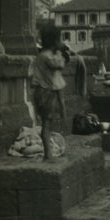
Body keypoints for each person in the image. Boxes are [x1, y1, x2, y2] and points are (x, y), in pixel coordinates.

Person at [31, 26, 67, 161]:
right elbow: (59, 65)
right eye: (60, 39)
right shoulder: (48, 57)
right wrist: (59, 52)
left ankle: (48, 153)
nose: (61, 42)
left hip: (44, 92)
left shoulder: (42, 55)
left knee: (48, 123)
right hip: (46, 93)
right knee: (47, 123)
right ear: (54, 41)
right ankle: (48, 154)